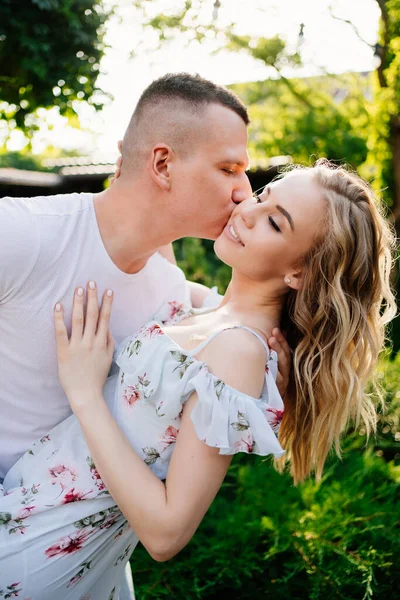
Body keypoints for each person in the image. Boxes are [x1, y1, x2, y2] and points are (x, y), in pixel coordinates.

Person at [0, 161, 395, 599]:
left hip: (38, 557)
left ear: (299, 273)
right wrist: (148, 177)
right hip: (29, 510)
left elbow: (167, 534)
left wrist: (85, 393)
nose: (247, 211)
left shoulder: (238, 351)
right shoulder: (213, 313)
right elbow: (155, 256)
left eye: (274, 223)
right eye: (263, 196)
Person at [0, 73, 290, 599]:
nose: (243, 191)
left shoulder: (170, 295)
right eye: (229, 168)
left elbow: (220, 316)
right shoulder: (24, 234)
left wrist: (279, 334)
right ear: (162, 164)